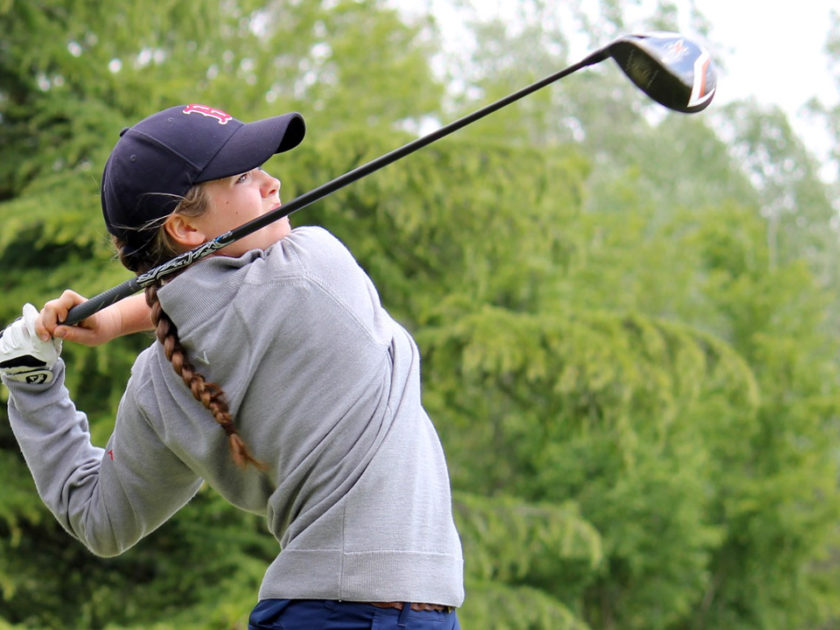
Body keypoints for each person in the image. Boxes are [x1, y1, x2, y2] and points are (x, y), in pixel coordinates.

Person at [0, 104, 464, 630]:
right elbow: (225, 296)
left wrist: (33, 384)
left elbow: (101, 518)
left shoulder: (161, 384)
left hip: (313, 611)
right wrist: (118, 321)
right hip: (377, 612)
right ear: (185, 227)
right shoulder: (316, 266)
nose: (273, 182)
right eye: (246, 175)